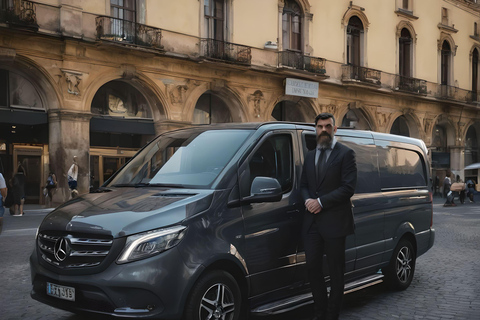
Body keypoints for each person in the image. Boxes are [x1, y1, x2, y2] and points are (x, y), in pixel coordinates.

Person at [300, 112, 357, 320]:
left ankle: (332, 315)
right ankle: (319, 312)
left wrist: (320, 203)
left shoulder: (345, 154)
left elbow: (348, 188)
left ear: (335, 129)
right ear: (315, 129)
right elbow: (304, 185)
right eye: (319, 127)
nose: (323, 130)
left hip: (335, 223)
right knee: (313, 269)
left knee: (336, 273)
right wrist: (308, 200)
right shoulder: (309, 155)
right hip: (311, 225)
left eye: (327, 126)